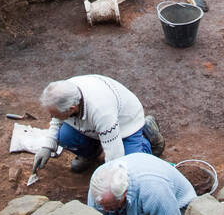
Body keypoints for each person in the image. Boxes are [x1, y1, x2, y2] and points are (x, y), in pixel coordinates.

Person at [33, 75, 165, 175]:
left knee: (131, 168)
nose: (52, 118)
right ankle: (91, 153)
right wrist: (47, 147)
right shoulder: (65, 92)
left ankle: (146, 136)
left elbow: (114, 154)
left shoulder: (101, 110)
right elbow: (57, 121)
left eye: (55, 114)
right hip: (96, 126)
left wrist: (109, 181)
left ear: (72, 108)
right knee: (65, 136)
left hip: (125, 124)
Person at [88, 154, 195, 215]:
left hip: (180, 205)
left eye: (110, 207)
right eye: (102, 206)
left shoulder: (153, 189)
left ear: (124, 194)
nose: (105, 210)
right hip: (135, 203)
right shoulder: (98, 183)